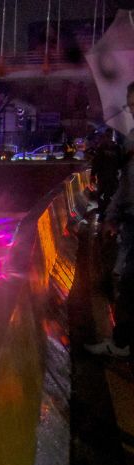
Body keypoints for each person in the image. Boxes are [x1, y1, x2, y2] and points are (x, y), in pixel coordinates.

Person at [86, 81, 134, 359]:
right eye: (130, 103)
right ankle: (121, 341)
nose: (131, 109)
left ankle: (121, 343)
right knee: (126, 282)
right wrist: (113, 216)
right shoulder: (127, 143)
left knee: (127, 282)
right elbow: (126, 184)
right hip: (128, 222)